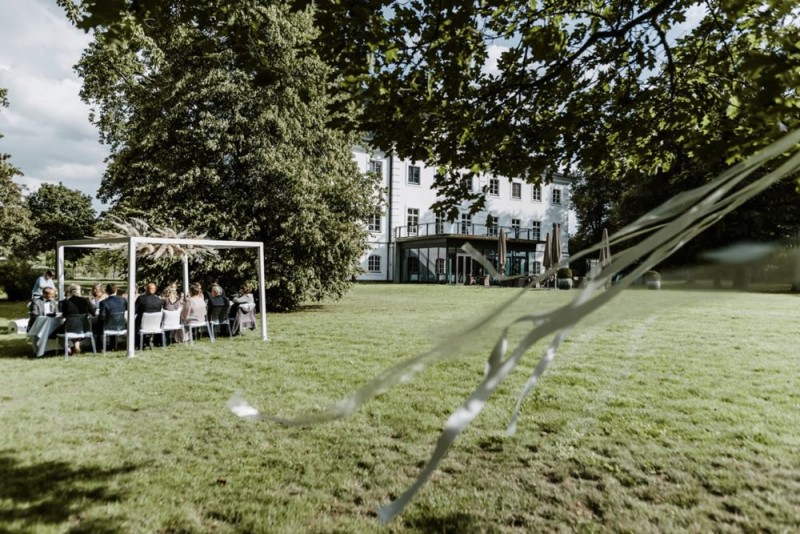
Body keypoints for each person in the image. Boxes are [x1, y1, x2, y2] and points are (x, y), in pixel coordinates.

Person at [58, 284, 96, 354]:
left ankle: (69, 350)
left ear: (69, 292)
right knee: (77, 329)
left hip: (71, 327)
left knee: (57, 332)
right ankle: (76, 348)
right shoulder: (86, 300)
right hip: (85, 328)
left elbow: (64, 315)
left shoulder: (66, 302)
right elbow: (93, 313)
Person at [97, 283, 128, 350]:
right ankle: (112, 345)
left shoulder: (103, 303)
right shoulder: (123, 300)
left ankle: (99, 346)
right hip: (121, 325)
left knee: (99, 324)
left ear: (106, 291)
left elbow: (102, 317)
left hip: (109, 326)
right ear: (116, 290)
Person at [135, 282, 163, 348]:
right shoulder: (158, 300)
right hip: (155, 324)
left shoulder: (141, 298)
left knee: (133, 323)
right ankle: (154, 341)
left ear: (146, 289)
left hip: (142, 324)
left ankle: (138, 343)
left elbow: (135, 310)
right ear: (155, 290)